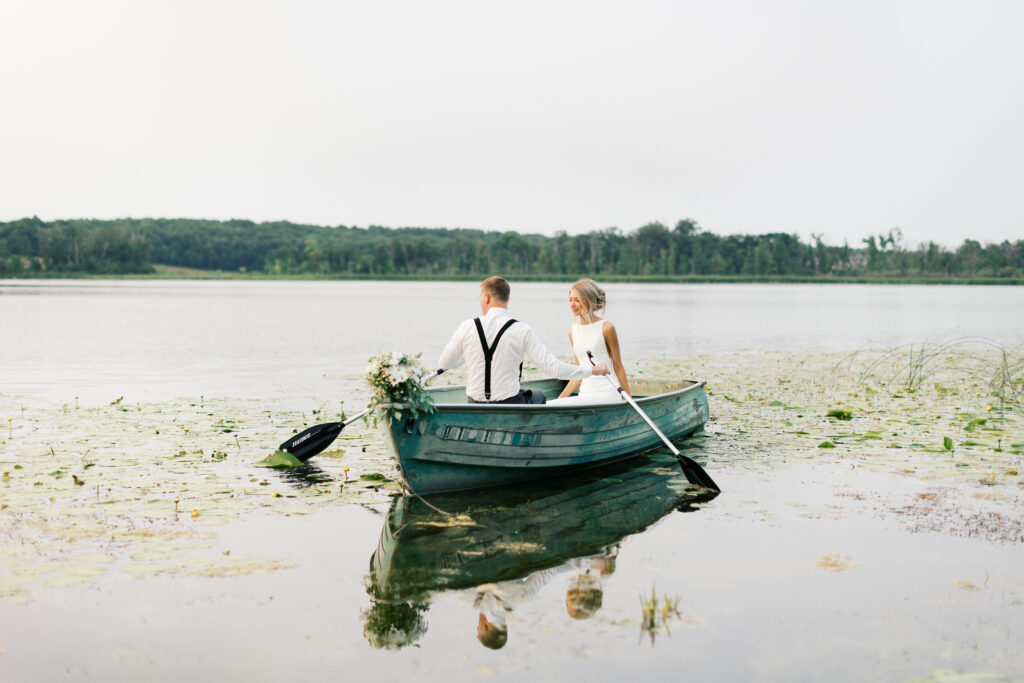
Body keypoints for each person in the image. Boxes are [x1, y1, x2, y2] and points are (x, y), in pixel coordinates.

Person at [438, 276, 608, 404]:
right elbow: (553, 368)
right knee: (539, 395)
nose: (481, 301)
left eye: (480, 297)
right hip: (509, 403)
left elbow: (444, 362)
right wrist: (593, 371)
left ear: (487, 297)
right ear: (506, 298)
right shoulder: (521, 330)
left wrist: (465, 356)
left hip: (474, 404)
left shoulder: (467, 326)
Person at [548, 279, 631, 406]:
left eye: (577, 300)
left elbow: (618, 366)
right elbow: (578, 373)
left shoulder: (607, 327)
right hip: (585, 394)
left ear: (588, 300)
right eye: (570, 300)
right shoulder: (573, 331)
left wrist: (628, 398)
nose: (572, 304)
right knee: (551, 403)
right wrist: (559, 400)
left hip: (607, 393)